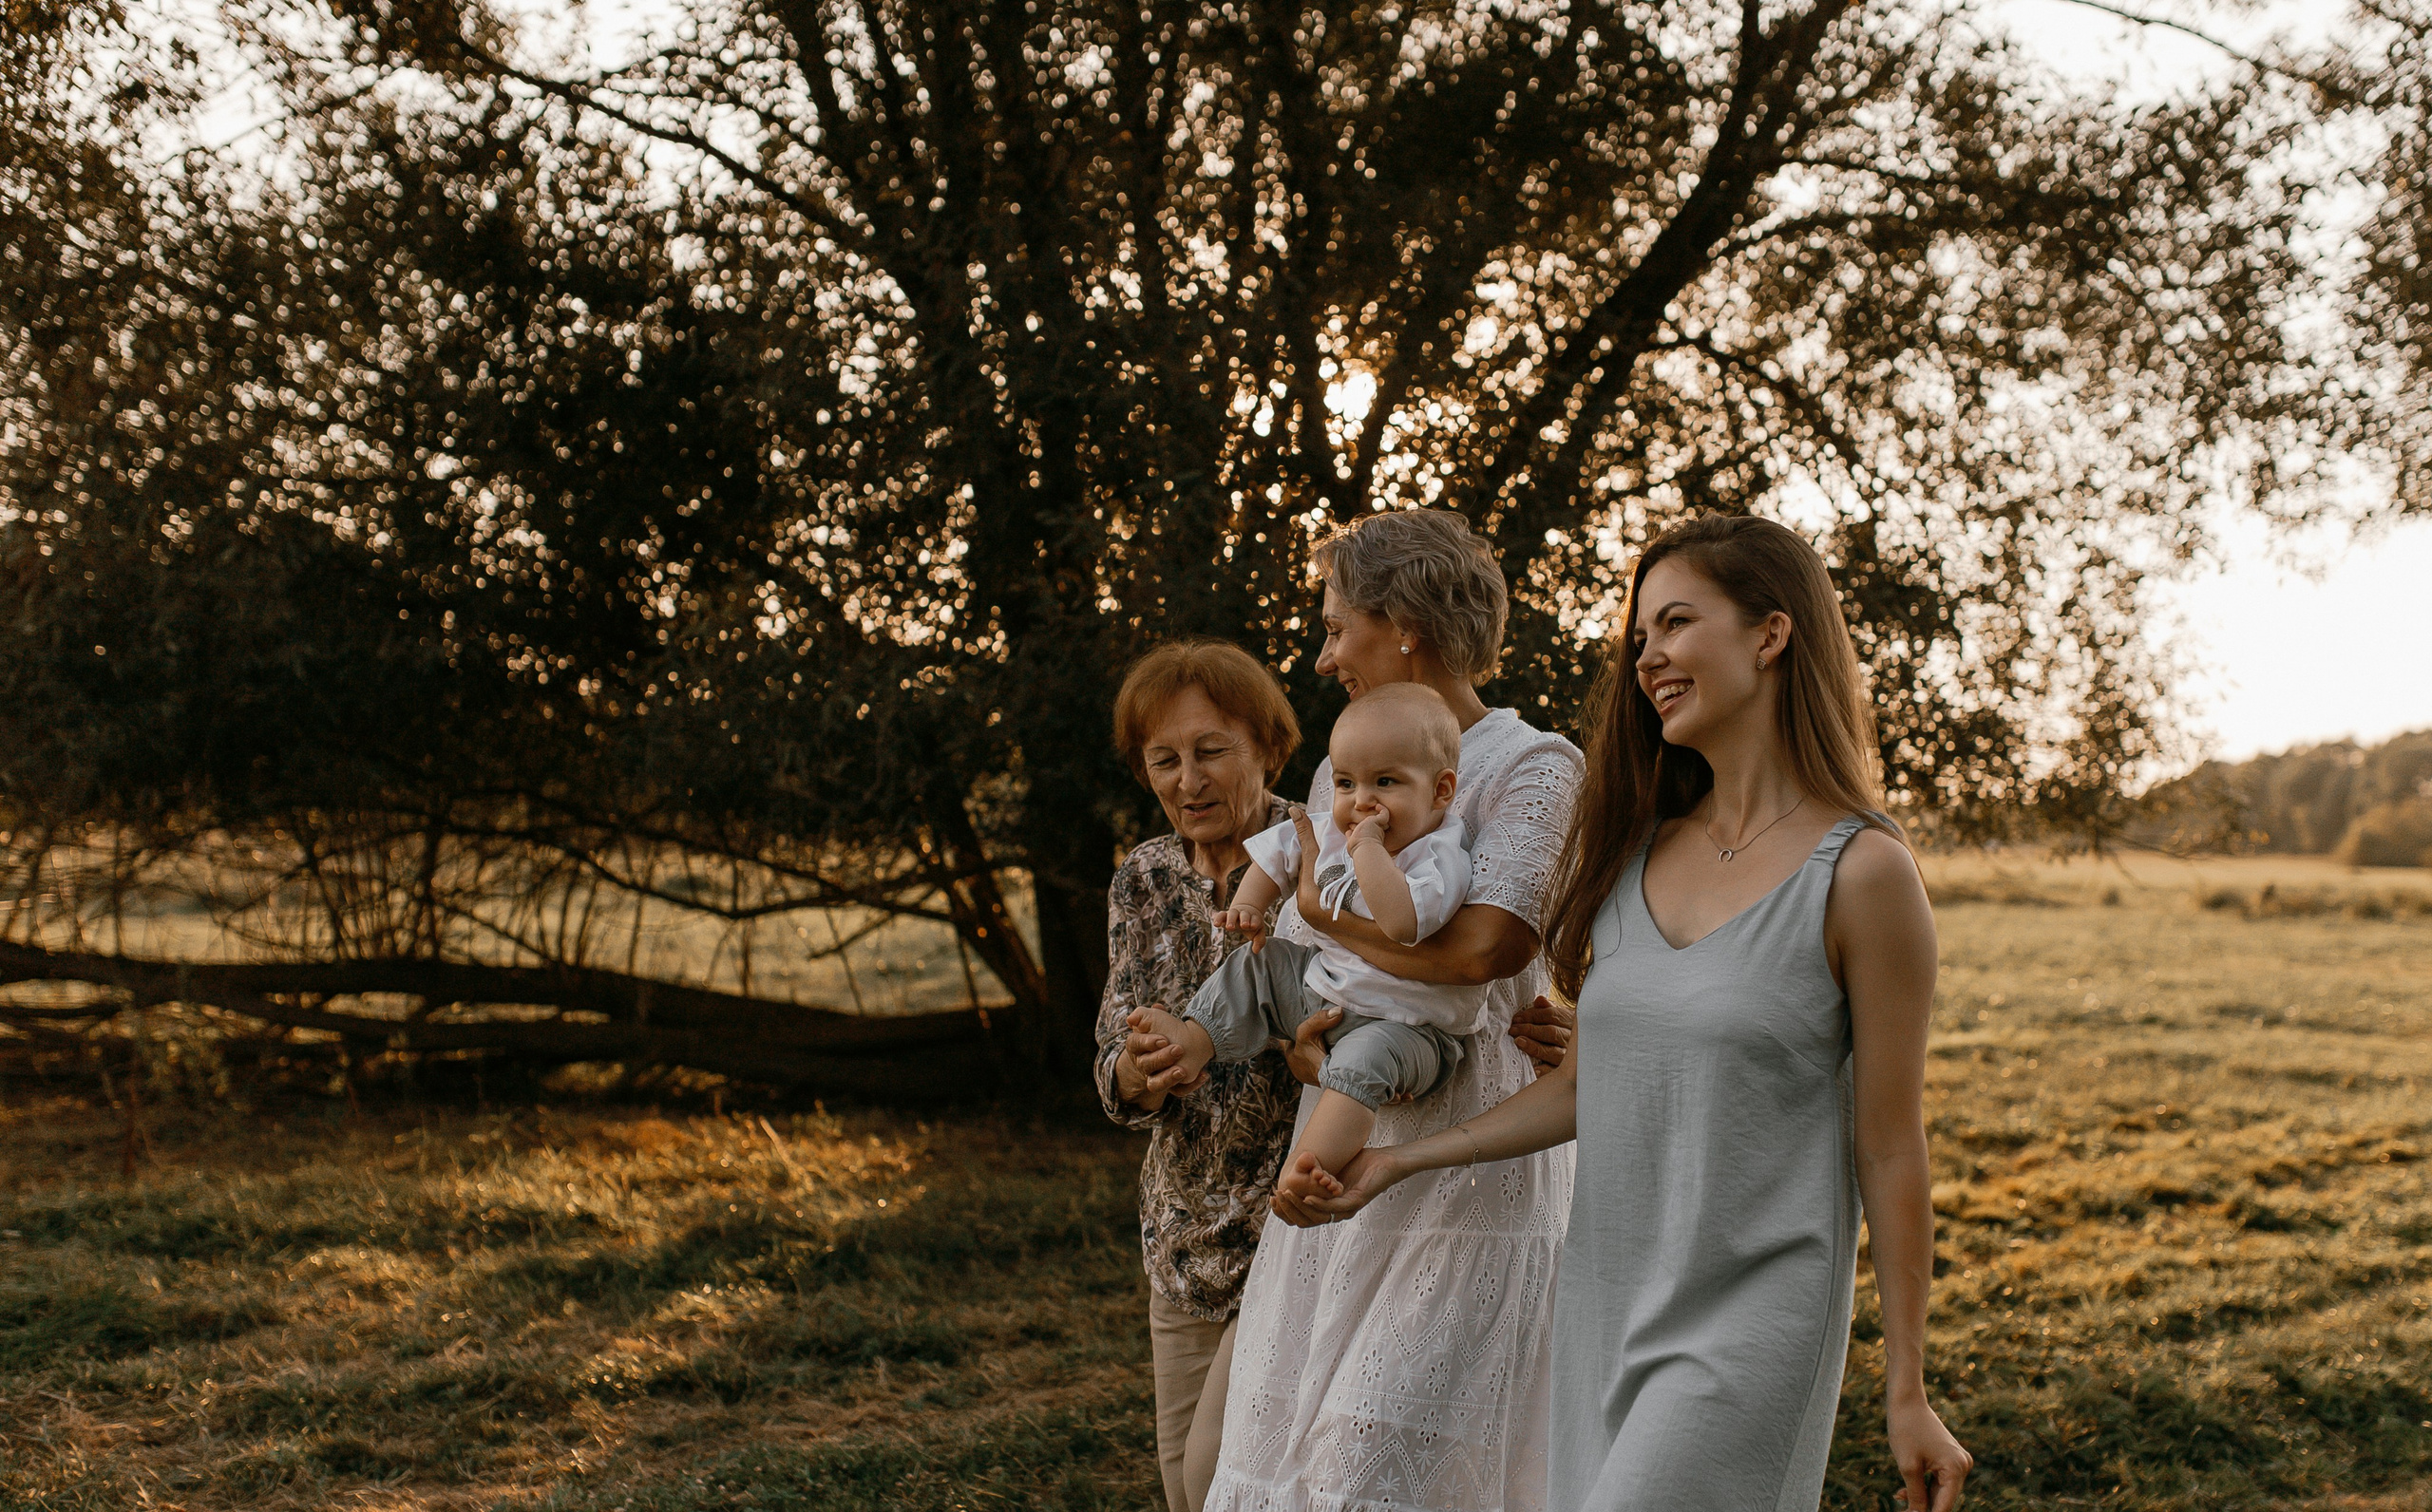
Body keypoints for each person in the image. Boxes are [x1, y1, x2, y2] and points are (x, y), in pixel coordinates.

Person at [1280, 513, 1975, 1512]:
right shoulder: (1633, 856)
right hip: (1602, 1301)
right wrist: (1397, 1159)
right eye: (1639, 634)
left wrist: (1906, 1387)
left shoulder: (1863, 871)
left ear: (1770, 635)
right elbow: (1589, 1083)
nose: (1647, 656)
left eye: (1677, 622)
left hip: (1751, 1316)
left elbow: (1892, 1145)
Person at [1136, 509, 1584, 1512]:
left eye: (1340, 626)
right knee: (1276, 1459)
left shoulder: (1536, 764)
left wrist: (1308, 907)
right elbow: (1306, 954)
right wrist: (1303, 1030)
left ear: (1407, 626)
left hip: (1476, 1161)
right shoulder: (1340, 758)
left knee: (1382, 1464)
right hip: (1338, 1138)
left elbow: (1487, 945)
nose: (1325, 651)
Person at [1135, 683, 1484, 1200]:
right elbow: (1277, 855)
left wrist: (1367, 850)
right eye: (1346, 783)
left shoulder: (1441, 856)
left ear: (1440, 791)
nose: (1362, 802)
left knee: (1361, 1063)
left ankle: (1310, 1163)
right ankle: (1193, 1040)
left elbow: (1401, 924)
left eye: (1385, 782)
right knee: (1261, 963)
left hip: (1409, 1027)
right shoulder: (1331, 828)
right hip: (1326, 992)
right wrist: (1249, 905)